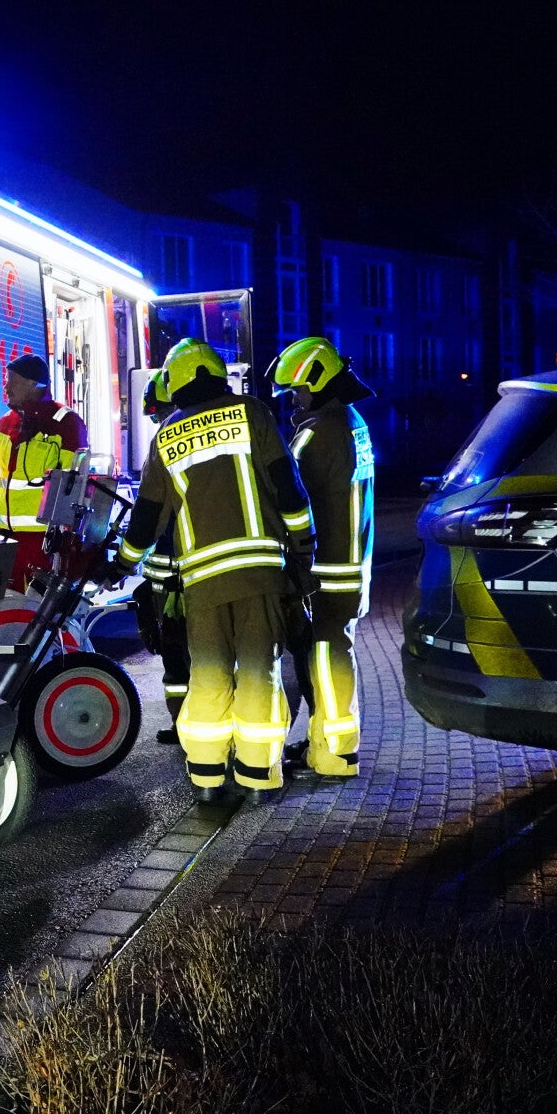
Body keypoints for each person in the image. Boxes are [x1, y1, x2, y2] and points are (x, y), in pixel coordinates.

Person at [114, 339, 315, 802]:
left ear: (177, 382)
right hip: (261, 575)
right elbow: (289, 488)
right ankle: (257, 774)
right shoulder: (255, 414)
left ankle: (205, 777)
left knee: (207, 674)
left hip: (202, 584)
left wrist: (122, 563)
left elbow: (147, 516)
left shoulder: (166, 435)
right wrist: (303, 550)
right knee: (259, 673)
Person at [271, 337, 376, 779]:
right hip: (353, 566)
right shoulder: (352, 422)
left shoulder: (316, 433)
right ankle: (327, 744)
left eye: (296, 391)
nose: (294, 401)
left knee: (327, 659)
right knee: (336, 654)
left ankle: (335, 753)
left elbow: (285, 496)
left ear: (315, 381)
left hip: (327, 571)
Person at [0, 354, 89, 591]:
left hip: (43, 541)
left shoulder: (66, 423)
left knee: (36, 611)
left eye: (13, 380)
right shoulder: (4, 423)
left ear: (35, 384)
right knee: (4, 609)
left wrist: (66, 543)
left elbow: (72, 486)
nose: (6, 386)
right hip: (3, 537)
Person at [131, 370, 188, 745]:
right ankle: (187, 723)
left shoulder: (169, 442)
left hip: (174, 584)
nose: (157, 423)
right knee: (188, 657)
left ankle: (185, 724)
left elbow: (152, 514)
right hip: (184, 578)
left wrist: (123, 560)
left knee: (177, 657)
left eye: (158, 413)